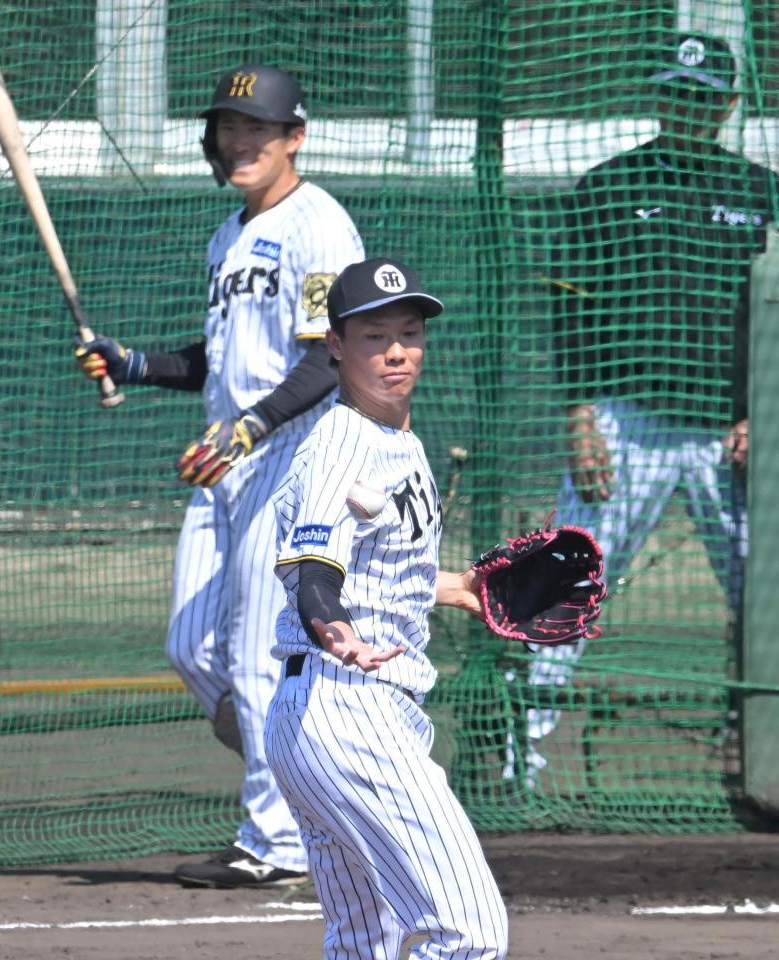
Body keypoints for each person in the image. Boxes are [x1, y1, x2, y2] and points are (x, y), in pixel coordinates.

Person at [74, 65, 364, 886]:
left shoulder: (320, 225)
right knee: (192, 647)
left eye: (257, 131)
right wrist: (133, 362)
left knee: (251, 655)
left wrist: (252, 427)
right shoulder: (228, 235)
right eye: (228, 130)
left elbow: (327, 356)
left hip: (287, 458)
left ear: (293, 138)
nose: (239, 143)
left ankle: (276, 843)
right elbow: (221, 360)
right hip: (224, 460)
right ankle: (319, 764)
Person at [508, 33, 777, 788]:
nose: (686, 107)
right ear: (657, 96)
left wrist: (763, 413)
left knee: (767, 597)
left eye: (701, 96)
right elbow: (572, 316)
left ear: (727, 105)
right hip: (626, 421)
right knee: (568, 585)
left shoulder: (764, 191)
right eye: (674, 92)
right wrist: (579, 414)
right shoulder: (608, 184)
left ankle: (765, 756)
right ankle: (514, 761)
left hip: (734, 434)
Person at [264, 257, 509, 960]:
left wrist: (458, 585)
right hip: (347, 707)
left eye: (409, 332)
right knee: (470, 934)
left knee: (366, 938)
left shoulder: (397, 440)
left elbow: (379, 568)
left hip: (321, 714)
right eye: (374, 336)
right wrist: (336, 630)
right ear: (336, 346)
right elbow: (314, 573)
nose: (396, 351)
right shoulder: (343, 441)